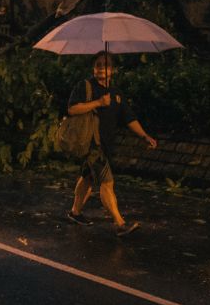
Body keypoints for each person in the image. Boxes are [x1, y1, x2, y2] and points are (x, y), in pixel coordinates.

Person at [66, 51, 157, 236]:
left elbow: (129, 118)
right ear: (93, 68)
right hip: (90, 144)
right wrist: (98, 102)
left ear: (112, 70)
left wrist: (144, 135)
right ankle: (119, 223)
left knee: (87, 178)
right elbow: (72, 109)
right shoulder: (85, 87)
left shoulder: (115, 93)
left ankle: (75, 212)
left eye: (105, 65)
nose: (101, 68)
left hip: (106, 145)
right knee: (107, 182)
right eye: (98, 64)